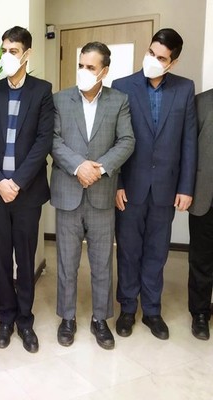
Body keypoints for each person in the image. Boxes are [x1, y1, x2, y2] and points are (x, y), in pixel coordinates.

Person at [112, 28, 197, 340]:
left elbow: (189, 141)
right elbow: (115, 140)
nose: (153, 60)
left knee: (157, 252)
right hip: (130, 186)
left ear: (172, 63)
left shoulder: (184, 89)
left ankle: (151, 310)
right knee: (128, 250)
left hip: (166, 187)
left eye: (161, 58)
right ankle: (126, 308)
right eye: (151, 53)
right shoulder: (122, 86)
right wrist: (117, 182)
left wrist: (186, 187)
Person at [51, 42, 135, 349]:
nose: (84, 71)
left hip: (101, 194)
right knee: (67, 262)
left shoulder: (119, 101)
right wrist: (78, 166)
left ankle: (101, 319)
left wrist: (99, 169)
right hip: (68, 192)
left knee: (102, 263)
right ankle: (67, 317)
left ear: (104, 71)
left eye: (90, 67)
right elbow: (53, 140)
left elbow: (126, 141)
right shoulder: (60, 99)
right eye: (81, 65)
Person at [0, 26, 54, 353]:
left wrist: (17, 182)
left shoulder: (42, 91)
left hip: (27, 192)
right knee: (0, 257)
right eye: (4, 51)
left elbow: (43, 141)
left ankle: (25, 319)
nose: (7, 56)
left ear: (27, 54)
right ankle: (5, 318)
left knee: (24, 259)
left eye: (13, 51)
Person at [188, 87, 213, 340]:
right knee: (201, 259)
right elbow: (188, 149)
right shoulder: (200, 102)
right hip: (205, 195)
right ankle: (200, 314)